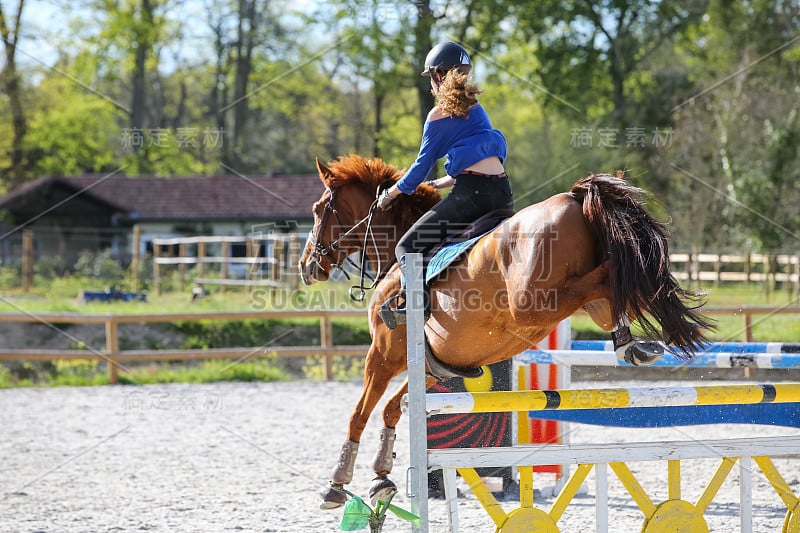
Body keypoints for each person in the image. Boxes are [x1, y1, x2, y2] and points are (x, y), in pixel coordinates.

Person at [376, 41, 514, 329]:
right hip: (502, 194)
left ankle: (416, 308)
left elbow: (417, 169)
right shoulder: (476, 108)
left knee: (406, 247)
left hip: (472, 196)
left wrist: (391, 193)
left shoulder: (437, 115)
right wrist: (441, 183)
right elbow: (481, 155)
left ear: (438, 76)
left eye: (431, 79)